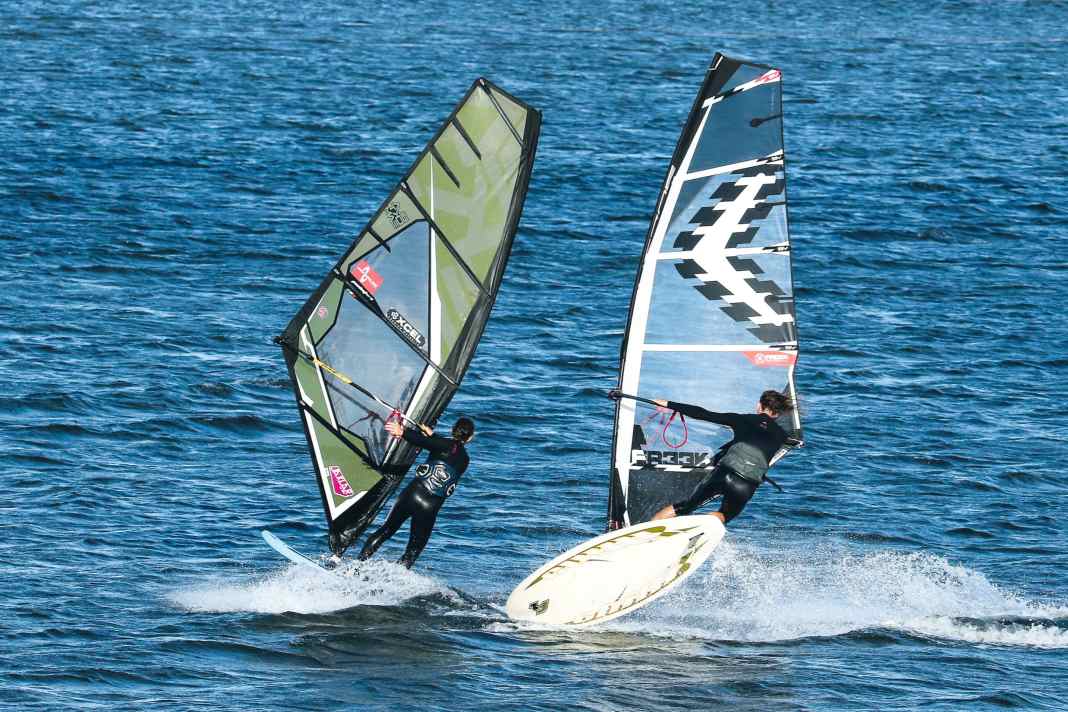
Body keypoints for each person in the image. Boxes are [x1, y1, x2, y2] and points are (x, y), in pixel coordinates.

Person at [612, 389, 794, 526]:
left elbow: (702, 413)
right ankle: (695, 529)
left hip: (725, 472)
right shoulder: (782, 436)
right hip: (746, 483)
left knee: (683, 508)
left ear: (759, 406)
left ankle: (647, 533)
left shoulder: (742, 419)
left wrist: (667, 403)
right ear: (777, 414)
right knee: (725, 515)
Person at [355, 416, 475, 568]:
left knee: (386, 530)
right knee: (414, 549)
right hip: (430, 506)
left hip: (413, 494)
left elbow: (425, 442)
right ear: (470, 438)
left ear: (453, 430)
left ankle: (356, 568)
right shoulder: (465, 459)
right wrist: (432, 436)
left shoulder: (442, 444)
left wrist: (402, 431)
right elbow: (450, 450)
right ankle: (395, 580)